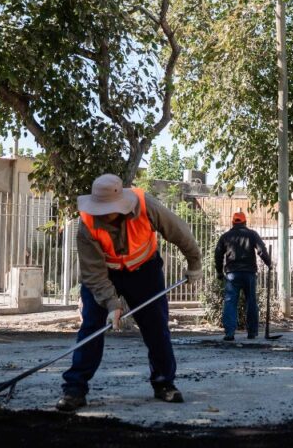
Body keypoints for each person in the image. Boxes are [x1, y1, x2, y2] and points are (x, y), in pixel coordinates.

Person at [57, 174, 204, 412]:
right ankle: (75, 389)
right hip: (104, 274)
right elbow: (93, 274)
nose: (102, 214)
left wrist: (194, 264)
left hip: (144, 271)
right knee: (91, 328)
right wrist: (112, 304)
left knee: (156, 326)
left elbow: (180, 232)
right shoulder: (87, 224)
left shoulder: (146, 205)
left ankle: (164, 383)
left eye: (107, 209)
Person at [214, 211, 273, 341]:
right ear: (245, 222)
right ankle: (252, 332)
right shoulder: (251, 234)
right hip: (249, 274)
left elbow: (218, 254)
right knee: (251, 302)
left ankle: (229, 333)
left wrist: (219, 272)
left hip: (232, 274)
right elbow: (261, 251)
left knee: (230, 302)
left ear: (233, 222)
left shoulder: (226, 236)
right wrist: (269, 263)